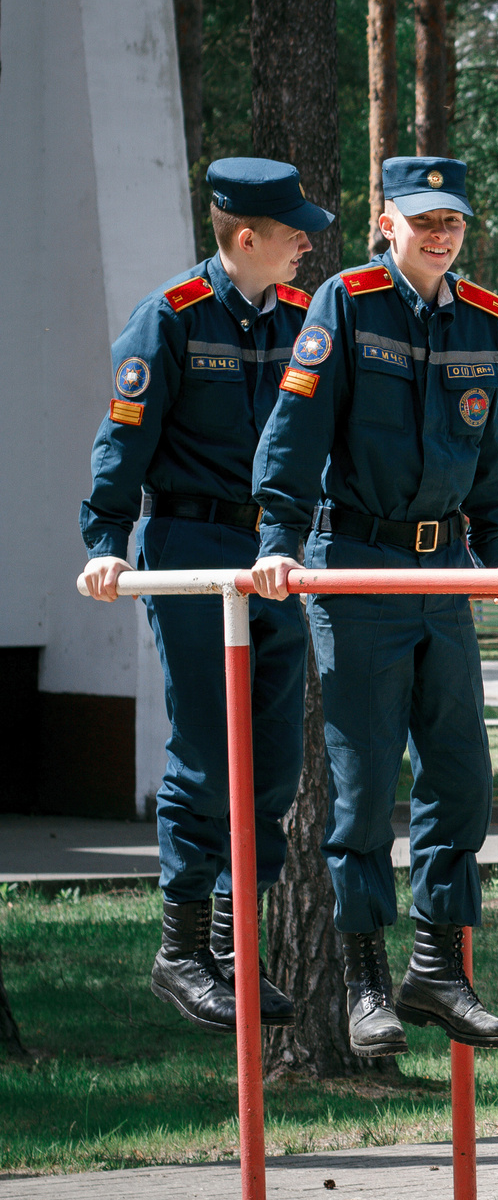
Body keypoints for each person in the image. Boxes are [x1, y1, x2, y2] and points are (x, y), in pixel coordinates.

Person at [247, 156, 498, 1057]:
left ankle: (436, 967)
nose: (441, 235)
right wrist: (279, 539)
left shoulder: (482, 317)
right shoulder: (347, 303)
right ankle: (366, 981)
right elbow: (296, 427)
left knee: (462, 776)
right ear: (387, 221)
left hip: (442, 574)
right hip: (357, 565)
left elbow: (495, 453)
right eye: (424, 219)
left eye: (453, 221)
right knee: (365, 786)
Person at [79, 158, 333, 1034]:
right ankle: (181, 950)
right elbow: (124, 439)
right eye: (294, 232)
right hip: (192, 545)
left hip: (277, 554)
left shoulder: (302, 318)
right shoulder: (172, 317)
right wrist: (106, 545)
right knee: (205, 748)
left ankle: (233, 946)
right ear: (247, 237)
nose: (307, 244)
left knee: (273, 757)